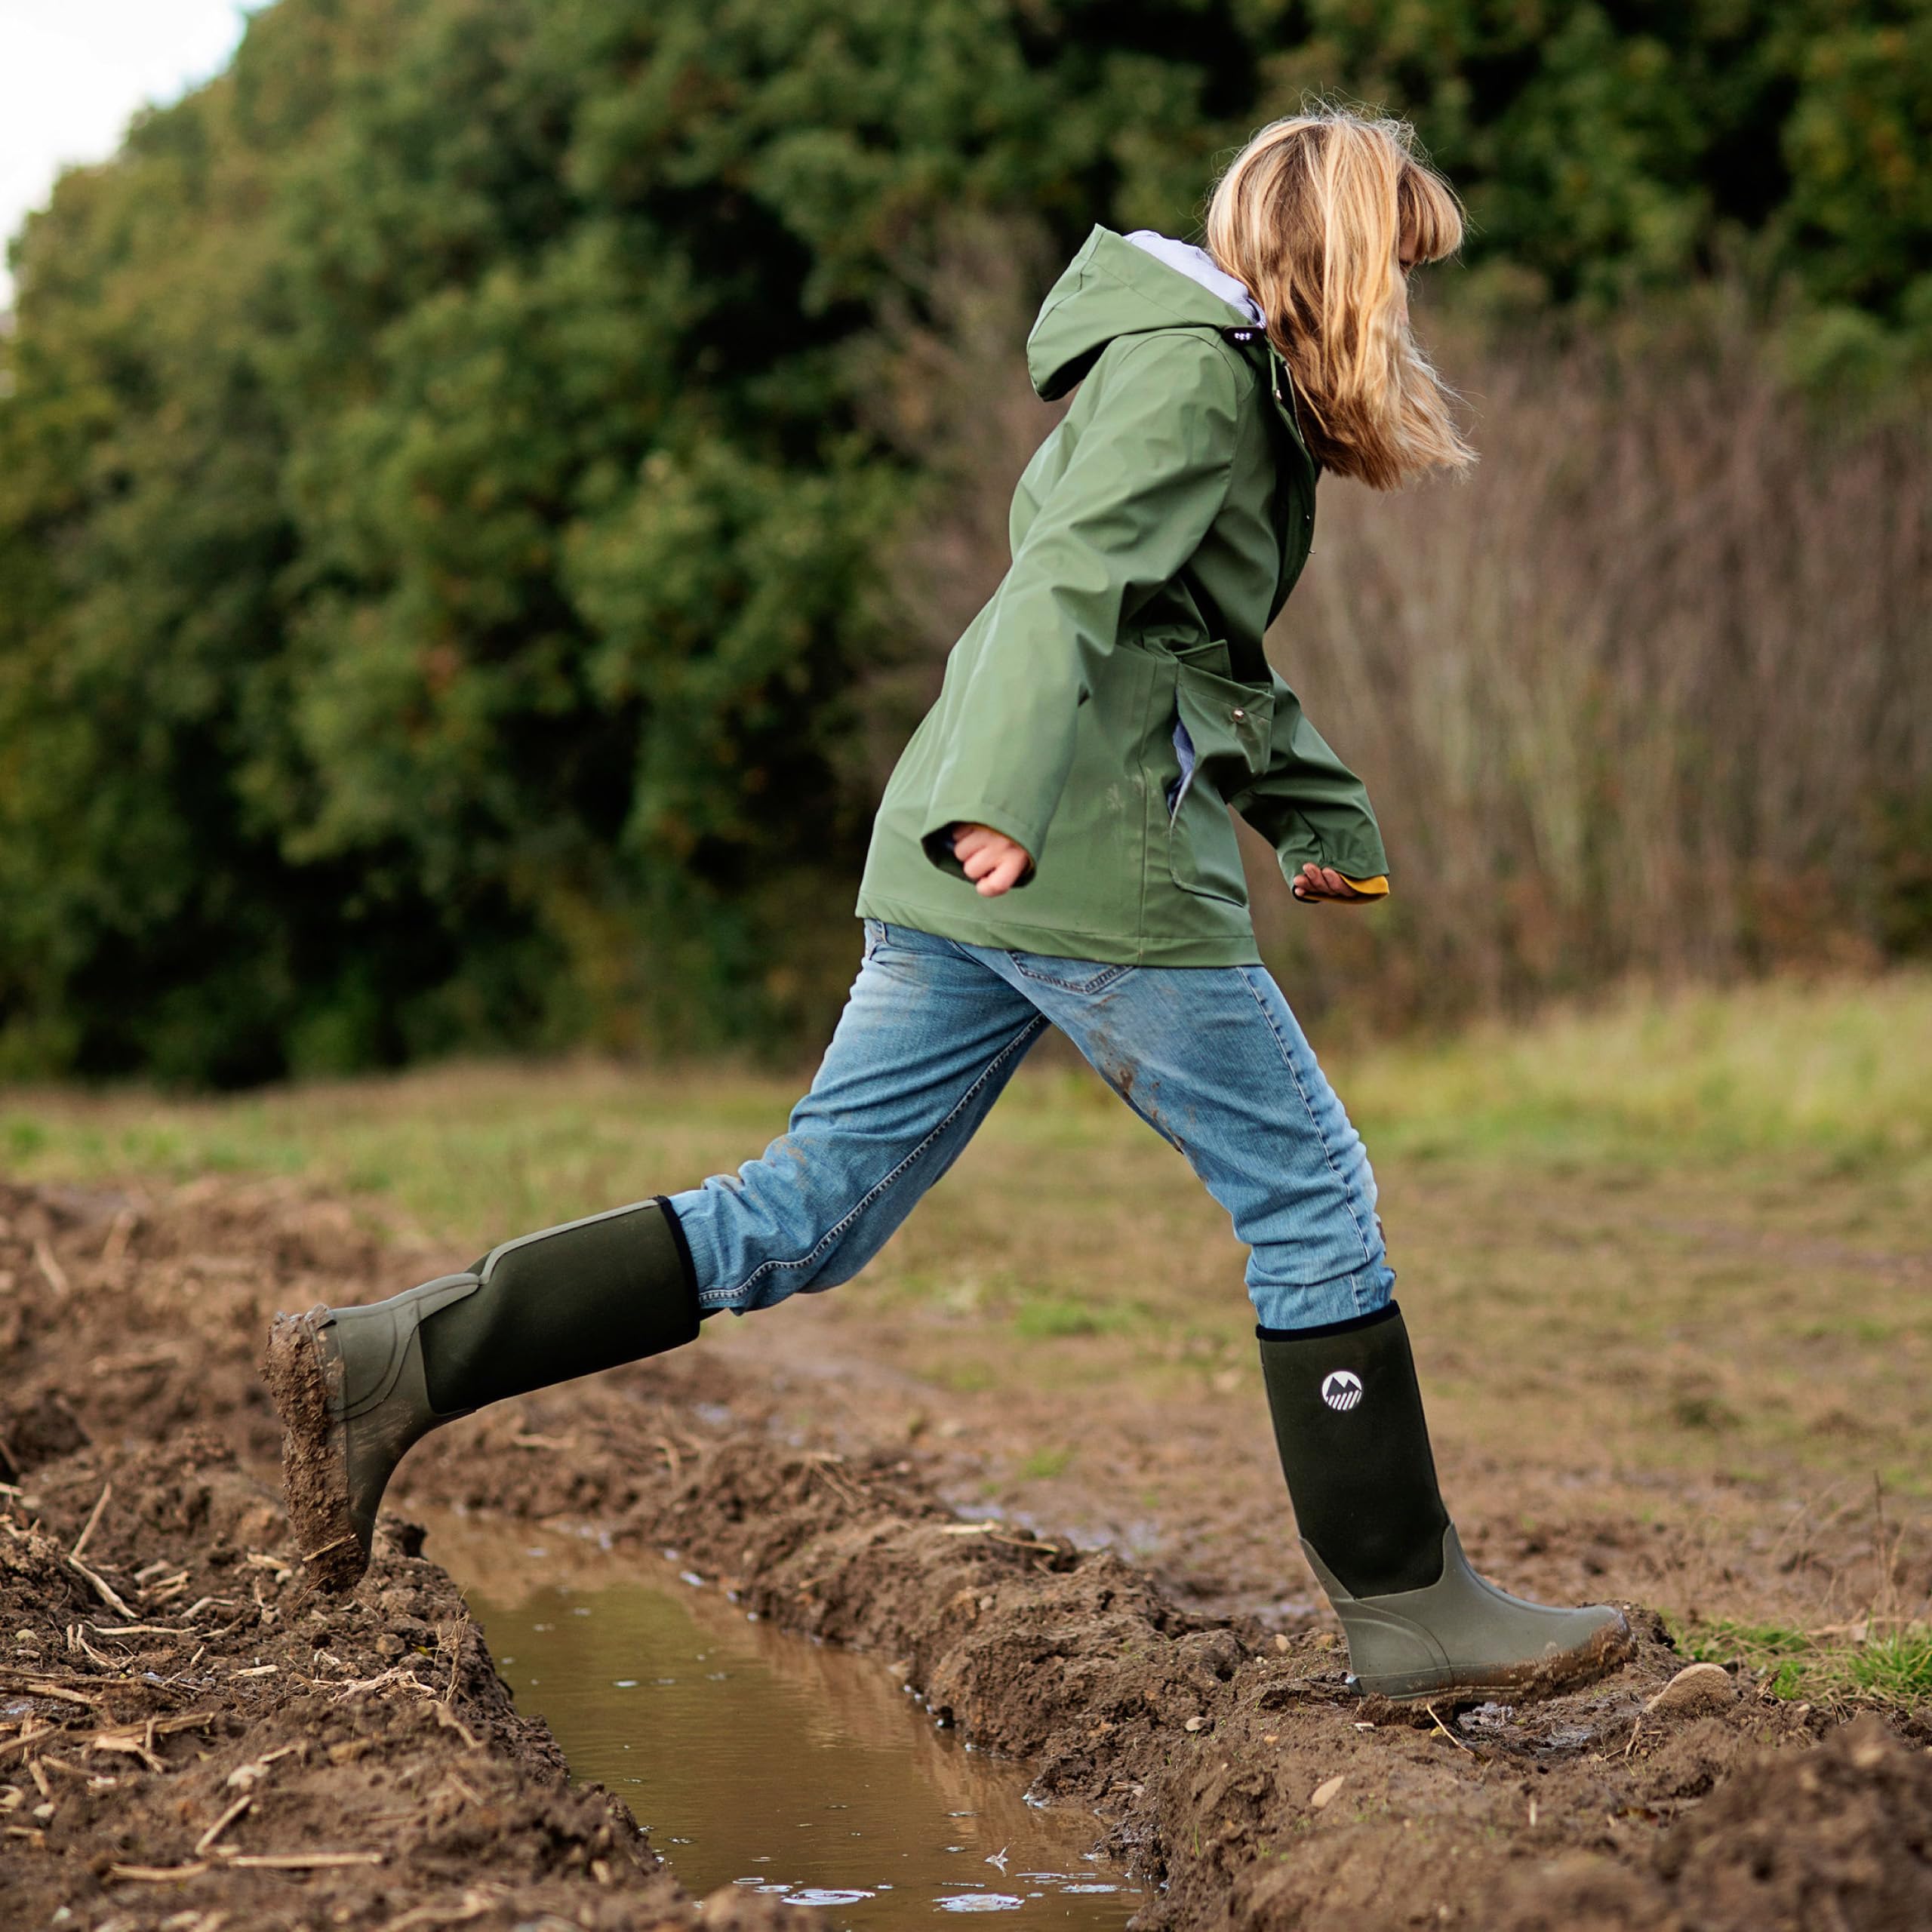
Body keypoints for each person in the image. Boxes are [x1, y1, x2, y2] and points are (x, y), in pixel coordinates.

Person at [268, 108, 1631, 1704]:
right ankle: (1411, 1609)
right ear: (1331, 251)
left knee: (808, 1210)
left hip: (986, 856)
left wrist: (1303, 812)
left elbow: (1180, 639)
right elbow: (1060, 585)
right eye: (1397, 266)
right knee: (1310, 1191)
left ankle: (394, 1359)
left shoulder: (1200, 368)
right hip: (1077, 861)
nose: (1404, 299)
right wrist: (1002, 792)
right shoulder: (1196, 376)